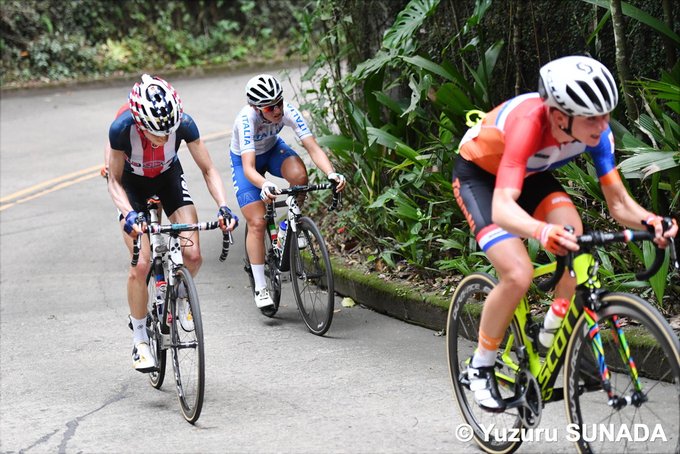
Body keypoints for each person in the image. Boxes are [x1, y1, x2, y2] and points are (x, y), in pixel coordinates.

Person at [451, 55, 678, 412]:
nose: (603, 125)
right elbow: (502, 208)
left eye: (606, 114)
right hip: (481, 177)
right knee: (518, 273)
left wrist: (651, 221)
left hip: (530, 174)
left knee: (576, 238)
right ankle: (480, 365)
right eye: (592, 117)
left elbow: (618, 202)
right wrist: (541, 231)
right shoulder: (529, 124)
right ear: (559, 116)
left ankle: (552, 326)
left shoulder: (596, 133)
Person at [107, 74, 237, 372]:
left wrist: (224, 206)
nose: (165, 137)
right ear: (139, 122)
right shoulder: (121, 129)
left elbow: (208, 169)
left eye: (169, 131)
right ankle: (140, 339)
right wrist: (129, 215)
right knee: (140, 264)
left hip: (168, 178)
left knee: (193, 254)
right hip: (132, 184)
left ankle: (177, 296)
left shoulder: (184, 123)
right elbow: (113, 180)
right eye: (157, 132)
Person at [230, 74, 346, 309]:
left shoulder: (288, 111)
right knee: (257, 222)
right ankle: (261, 286)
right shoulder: (246, 120)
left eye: (280, 103)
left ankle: (288, 225)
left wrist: (331, 173)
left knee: (300, 177)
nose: (277, 110)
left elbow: (312, 147)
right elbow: (250, 168)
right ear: (256, 107)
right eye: (270, 107)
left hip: (273, 151)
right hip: (246, 163)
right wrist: (263, 184)